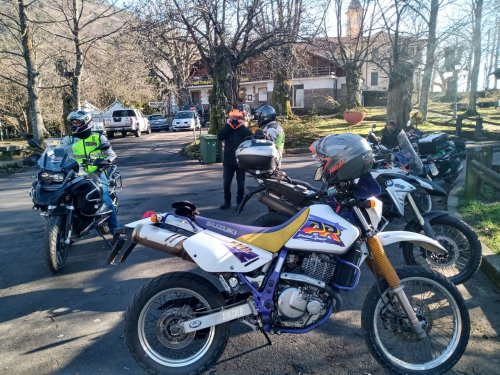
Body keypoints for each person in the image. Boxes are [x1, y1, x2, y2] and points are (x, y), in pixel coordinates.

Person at [60, 110, 121, 240]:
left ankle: (116, 232)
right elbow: (58, 154)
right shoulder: (68, 139)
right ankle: (65, 229)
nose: (74, 125)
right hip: (74, 174)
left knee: (106, 200)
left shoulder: (98, 138)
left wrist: (105, 162)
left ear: (86, 122)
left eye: (77, 122)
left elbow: (111, 155)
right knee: (62, 196)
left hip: (96, 173)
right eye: (73, 122)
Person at [217, 109, 253, 210]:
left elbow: (251, 136)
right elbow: (220, 136)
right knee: (226, 183)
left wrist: (242, 125)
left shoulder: (243, 129)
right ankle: (227, 202)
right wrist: (229, 125)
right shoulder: (227, 128)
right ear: (229, 118)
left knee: (241, 183)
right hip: (228, 160)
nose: (235, 120)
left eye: (238, 118)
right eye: (233, 118)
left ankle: (239, 203)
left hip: (240, 160)